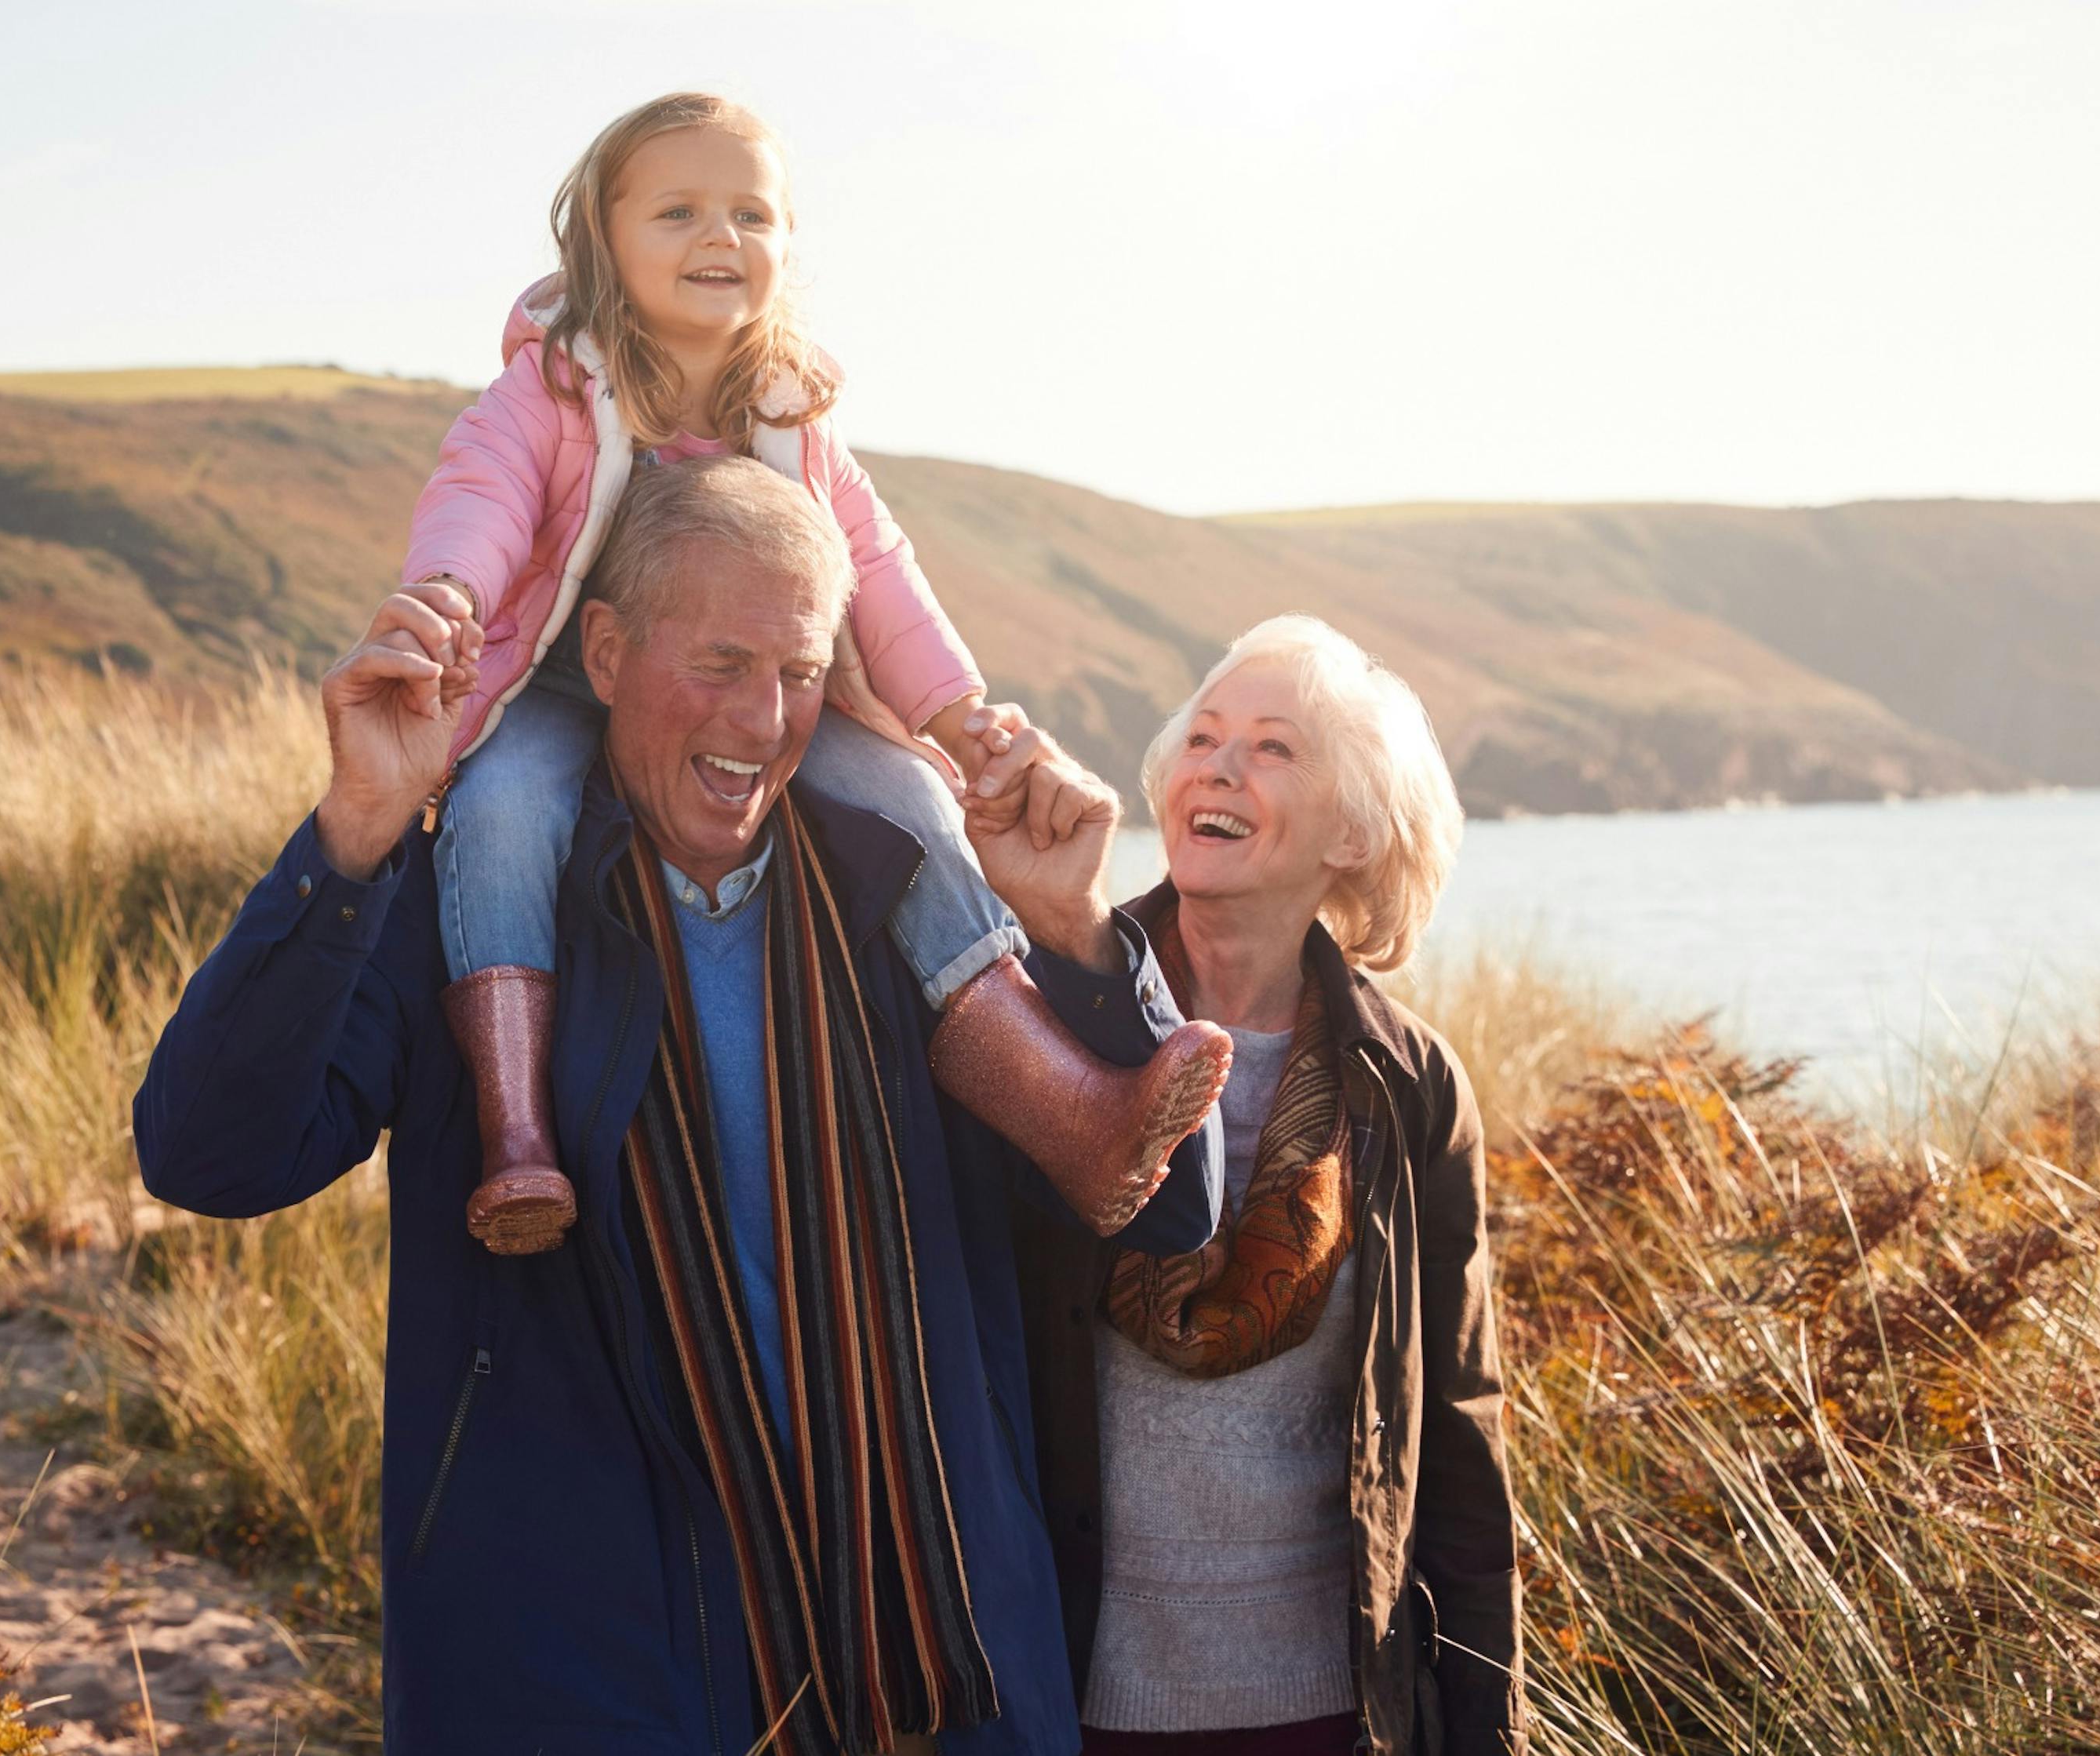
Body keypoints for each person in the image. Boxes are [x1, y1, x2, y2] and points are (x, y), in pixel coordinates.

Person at [136, 455, 1225, 1755]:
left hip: (945, 1676)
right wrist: (357, 827)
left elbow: (1167, 1217)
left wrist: (1077, 932)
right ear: (602, 652)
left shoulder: (914, 903)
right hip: (587, 1681)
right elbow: (209, 1155)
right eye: (717, 664)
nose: (765, 719)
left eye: (803, 671)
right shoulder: (474, 917)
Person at [395, 90, 1232, 1255]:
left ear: (788, 248)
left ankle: (1072, 1110)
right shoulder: (553, 389)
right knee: (501, 812)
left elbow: (874, 566)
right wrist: (448, 597)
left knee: (913, 798)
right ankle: (519, 1135)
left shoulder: (794, 416)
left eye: (752, 214)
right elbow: (479, 498)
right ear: (602, 234)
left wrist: (953, 708)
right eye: (679, 210)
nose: (719, 238)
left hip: (761, 691)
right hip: (562, 682)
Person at [1011, 617, 1524, 1755]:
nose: (1220, 767)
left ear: (1350, 831)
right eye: (1203, 738)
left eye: (1274, 748)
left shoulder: (1409, 1087)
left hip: (1329, 1711)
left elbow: (1456, 1430)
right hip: (1059, 1696)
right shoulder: (1047, 1017)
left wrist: (1488, 1725)